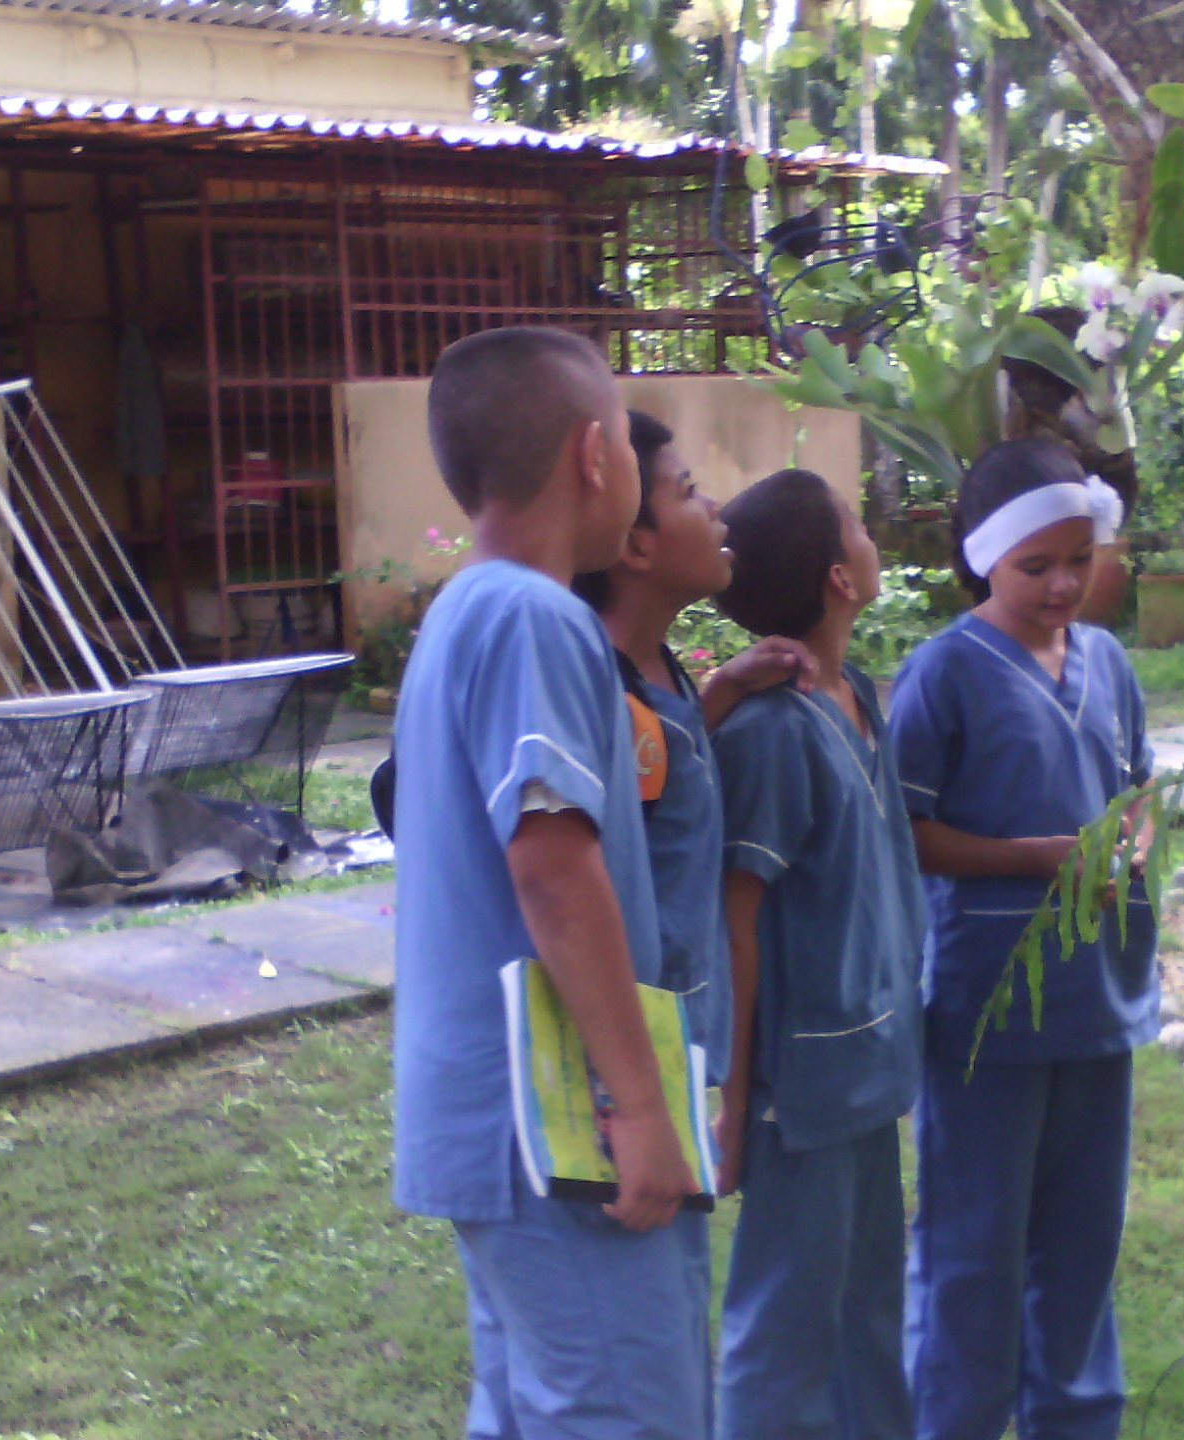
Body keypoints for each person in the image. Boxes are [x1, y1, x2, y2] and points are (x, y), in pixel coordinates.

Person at [391, 327, 706, 1440]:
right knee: (625, 1412)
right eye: (627, 436)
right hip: (555, 1129)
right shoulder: (535, 618)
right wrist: (639, 1104)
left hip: (492, 1123)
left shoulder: (461, 614)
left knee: (534, 1411)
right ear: (591, 455)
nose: (631, 460)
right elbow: (552, 869)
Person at [888, 437, 1156, 1440]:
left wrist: (1133, 834)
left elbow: (1139, 788)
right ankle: (954, 1420)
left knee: (1083, 1247)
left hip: (1100, 1005)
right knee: (974, 1248)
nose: (1059, 585)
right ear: (980, 562)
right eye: (1032, 566)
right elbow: (904, 833)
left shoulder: (1111, 664)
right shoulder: (941, 675)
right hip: (986, 1014)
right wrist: (1034, 857)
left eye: (1075, 562)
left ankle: (1076, 1422)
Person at [562, 411, 817, 1429]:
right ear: (632, 543)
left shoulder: (663, 679)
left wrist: (710, 693)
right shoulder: (598, 684)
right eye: (687, 492)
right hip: (631, 1075)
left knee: (673, 1336)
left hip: (681, 1053)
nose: (717, 512)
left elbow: (662, 789)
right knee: (635, 1371)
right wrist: (634, 1100)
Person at [709, 467, 928, 1440]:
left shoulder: (861, 701)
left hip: (872, 1067)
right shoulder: (770, 734)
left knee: (870, 1313)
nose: (872, 532)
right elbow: (736, 917)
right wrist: (731, 1092)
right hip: (801, 1089)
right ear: (840, 577)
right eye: (856, 523)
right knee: (785, 1328)